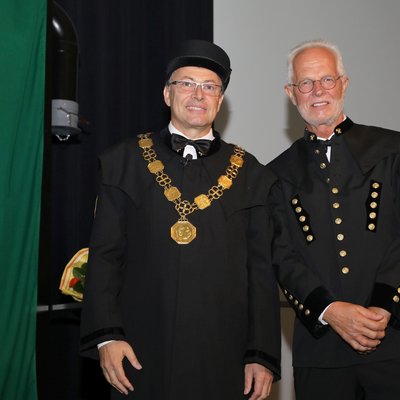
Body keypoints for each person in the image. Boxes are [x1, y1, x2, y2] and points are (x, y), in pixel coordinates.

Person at [80, 39, 281, 399]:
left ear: (221, 100)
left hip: (222, 355)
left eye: (209, 87)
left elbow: (261, 274)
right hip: (138, 351)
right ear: (166, 94)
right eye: (186, 83)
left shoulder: (254, 175)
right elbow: (105, 256)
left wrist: (261, 355)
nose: (197, 95)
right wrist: (107, 335)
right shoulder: (121, 162)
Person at [268, 39, 400, 400]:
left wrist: (383, 306)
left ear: (344, 83)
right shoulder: (275, 175)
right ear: (291, 94)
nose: (317, 91)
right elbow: (281, 256)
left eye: (327, 79)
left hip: (394, 340)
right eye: (305, 83)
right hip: (320, 350)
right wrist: (330, 310)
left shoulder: (392, 150)